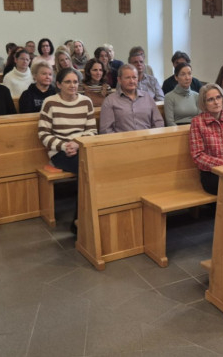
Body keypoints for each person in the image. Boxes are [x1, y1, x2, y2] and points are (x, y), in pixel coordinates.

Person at [38, 67, 98, 234]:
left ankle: (92, 215)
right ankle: (79, 220)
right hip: (59, 152)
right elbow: (43, 134)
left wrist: (77, 143)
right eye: (68, 82)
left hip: (81, 147)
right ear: (58, 84)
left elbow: (92, 131)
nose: (72, 85)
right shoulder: (50, 102)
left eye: (75, 82)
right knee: (85, 168)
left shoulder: (86, 102)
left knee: (97, 165)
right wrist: (65, 146)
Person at [99, 64, 164, 133]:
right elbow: (106, 130)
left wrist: (153, 137)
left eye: (134, 77)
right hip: (123, 139)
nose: (132, 81)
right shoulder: (110, 100)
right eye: (127, 78)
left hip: (148, 138)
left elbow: (158, 122)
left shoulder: (147, 97)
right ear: (119, 80)